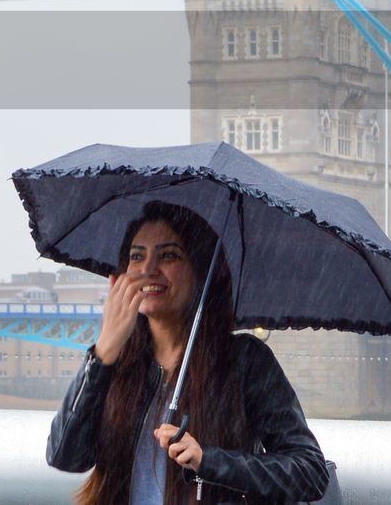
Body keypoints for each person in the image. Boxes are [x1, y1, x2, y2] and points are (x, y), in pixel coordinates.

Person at [47, 202, 329, 504]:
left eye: (168, 255)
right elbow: (66, 455)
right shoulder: (116, 364)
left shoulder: (245, 361)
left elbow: (309, 472)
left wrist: (208, 461)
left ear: (201, 270)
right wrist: (103, 352)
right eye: (136, 256)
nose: (148, 269)